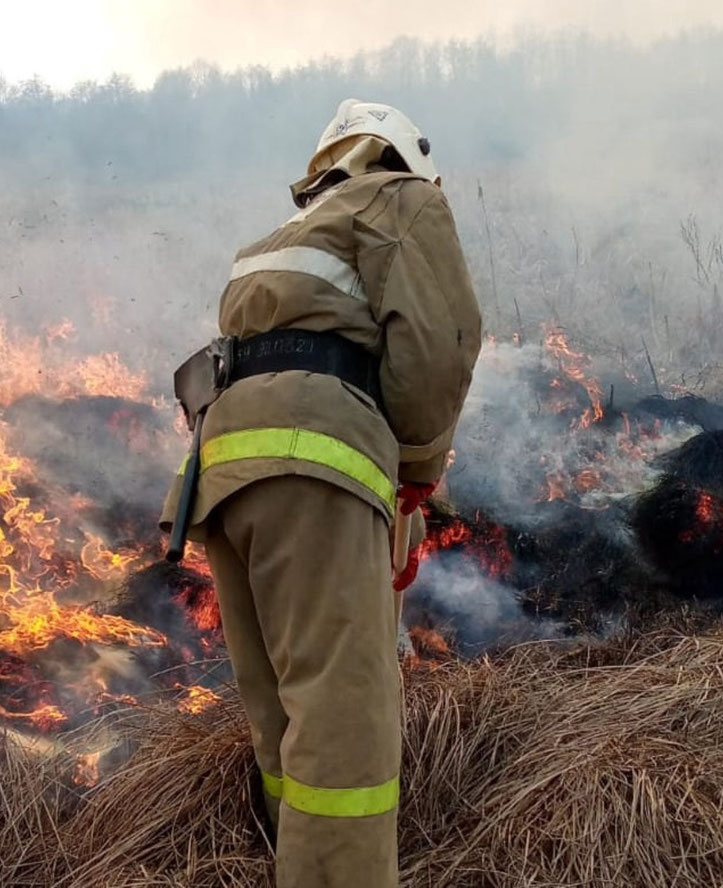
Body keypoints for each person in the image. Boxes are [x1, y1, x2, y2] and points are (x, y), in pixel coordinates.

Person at [161, 98, 482, 887]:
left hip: (223, 479)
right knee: (345, 730)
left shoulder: (272, 242)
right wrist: (417, 472)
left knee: (282, 715)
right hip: (311, 463)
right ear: (403, 159)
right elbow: (440, 346)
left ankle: (283, 856)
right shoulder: (405, 200)